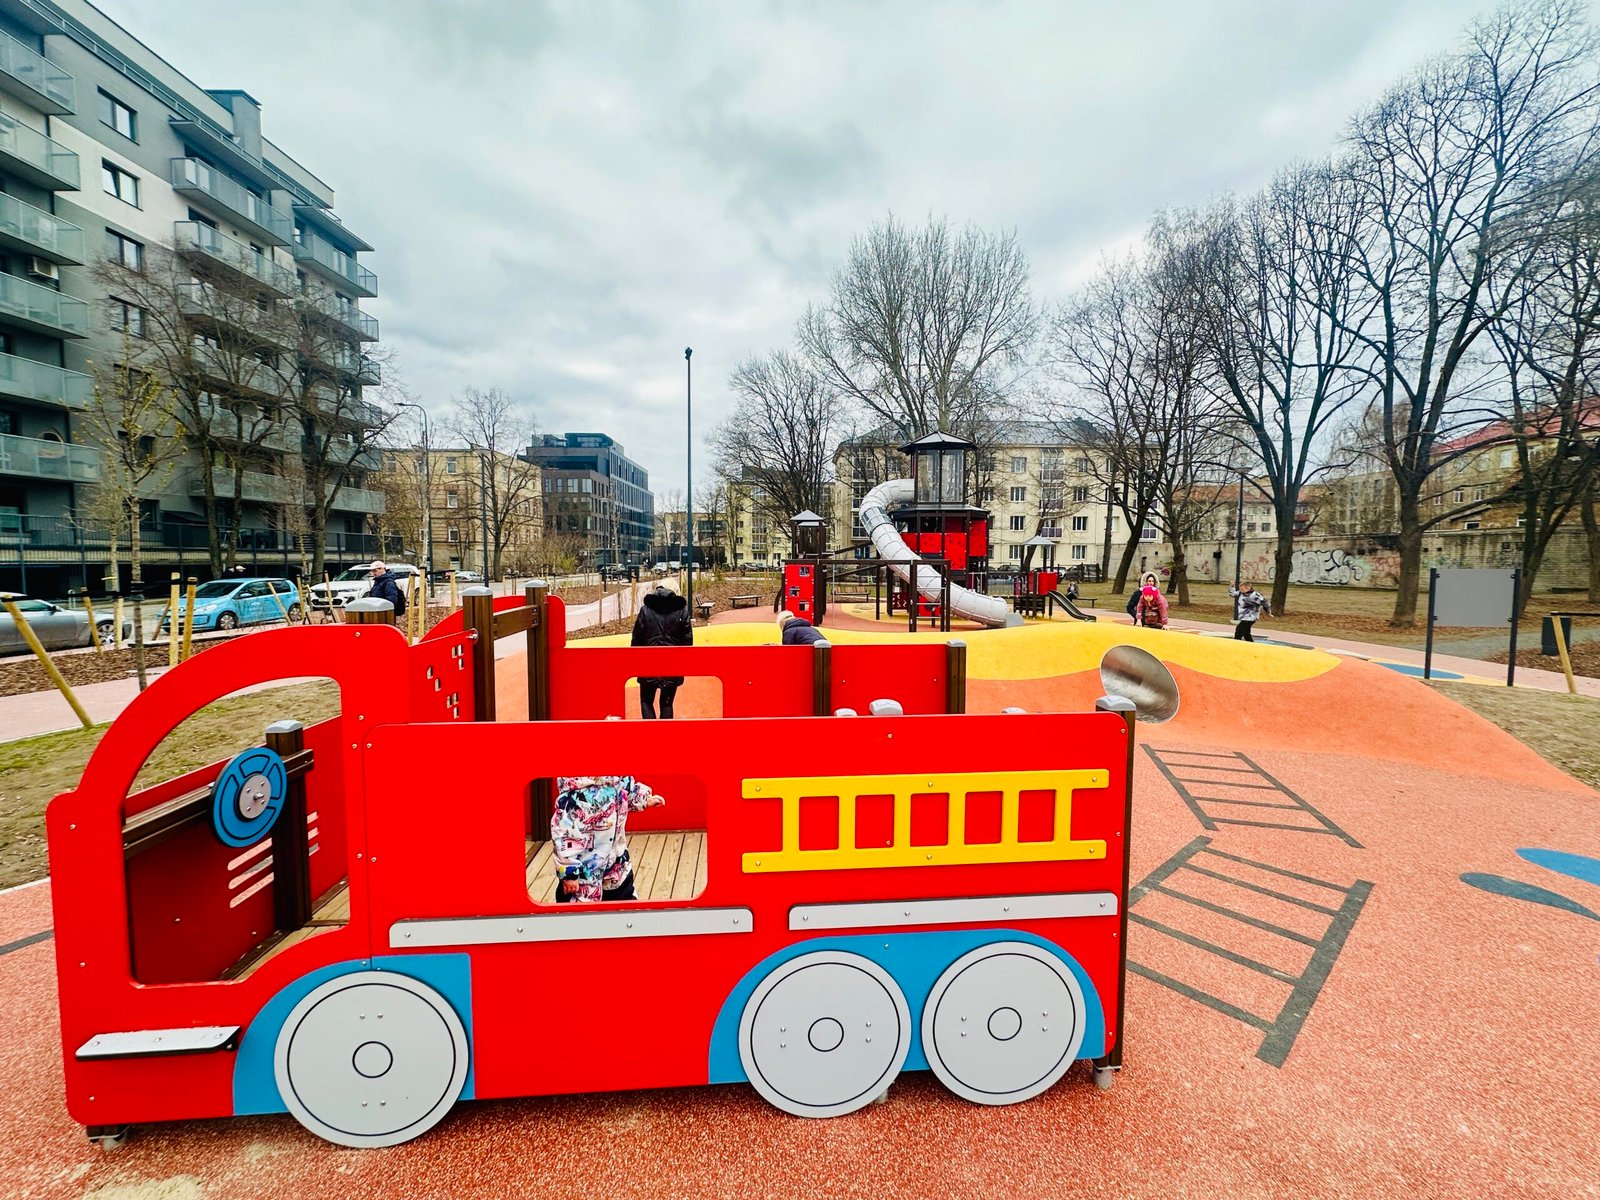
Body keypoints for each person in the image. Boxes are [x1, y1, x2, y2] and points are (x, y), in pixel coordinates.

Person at [551, 775, 664, 902]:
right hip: (586, 868)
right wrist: (569, 873)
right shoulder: (572, 797)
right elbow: (563, 837)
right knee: (581, 903)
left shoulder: (617, 780)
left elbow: (626, 792)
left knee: (623, 893)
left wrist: (643, 798)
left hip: (615, 860)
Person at [630, 579, 693, 718]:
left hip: (648, 663)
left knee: (646, 701)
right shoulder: (681, 611)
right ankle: (666, 736)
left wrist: (636, 662)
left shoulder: (646, 610)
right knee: (667, 704)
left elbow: (637, 638)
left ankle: (651, 735)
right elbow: (687, 642)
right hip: (672, 664)